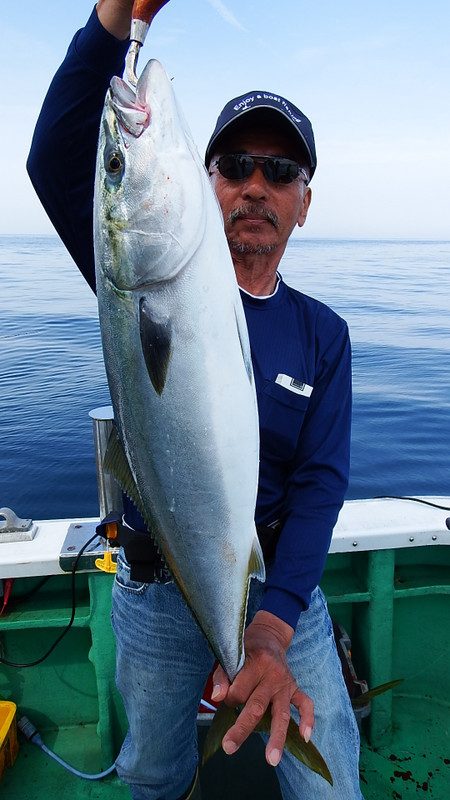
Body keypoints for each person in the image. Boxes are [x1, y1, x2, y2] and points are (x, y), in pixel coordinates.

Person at [27, 2, 362, 799]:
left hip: (283, 592)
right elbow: (53, 159)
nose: (255, 185)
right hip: (155, 593)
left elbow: (320, 485)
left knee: (331, 787)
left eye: (279, 172)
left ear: (304, 201)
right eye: (236, 165)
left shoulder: (324, 336)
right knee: (152, 776)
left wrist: (273, 627)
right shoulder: (138, 275)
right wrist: (114, 18)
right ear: (205, 181)